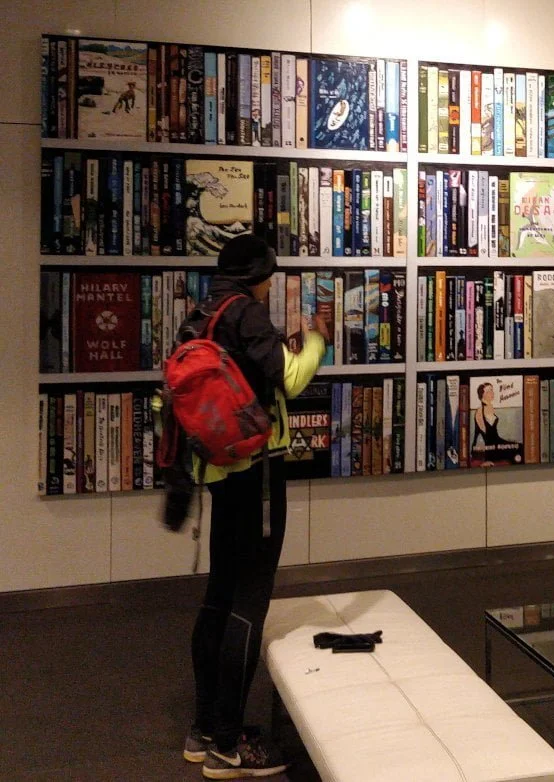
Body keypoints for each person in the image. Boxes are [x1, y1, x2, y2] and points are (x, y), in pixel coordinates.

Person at [174, 234, 327, 779]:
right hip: (257, 474)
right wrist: (313, 343)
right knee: (250, 598)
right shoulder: (249, 313)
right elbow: (288, 377)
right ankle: (228, 743)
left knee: (220, 592)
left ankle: (204, 726)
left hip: (217, 471)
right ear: (260, 274)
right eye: (269, 276)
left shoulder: (203, 312)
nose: (270, 284)